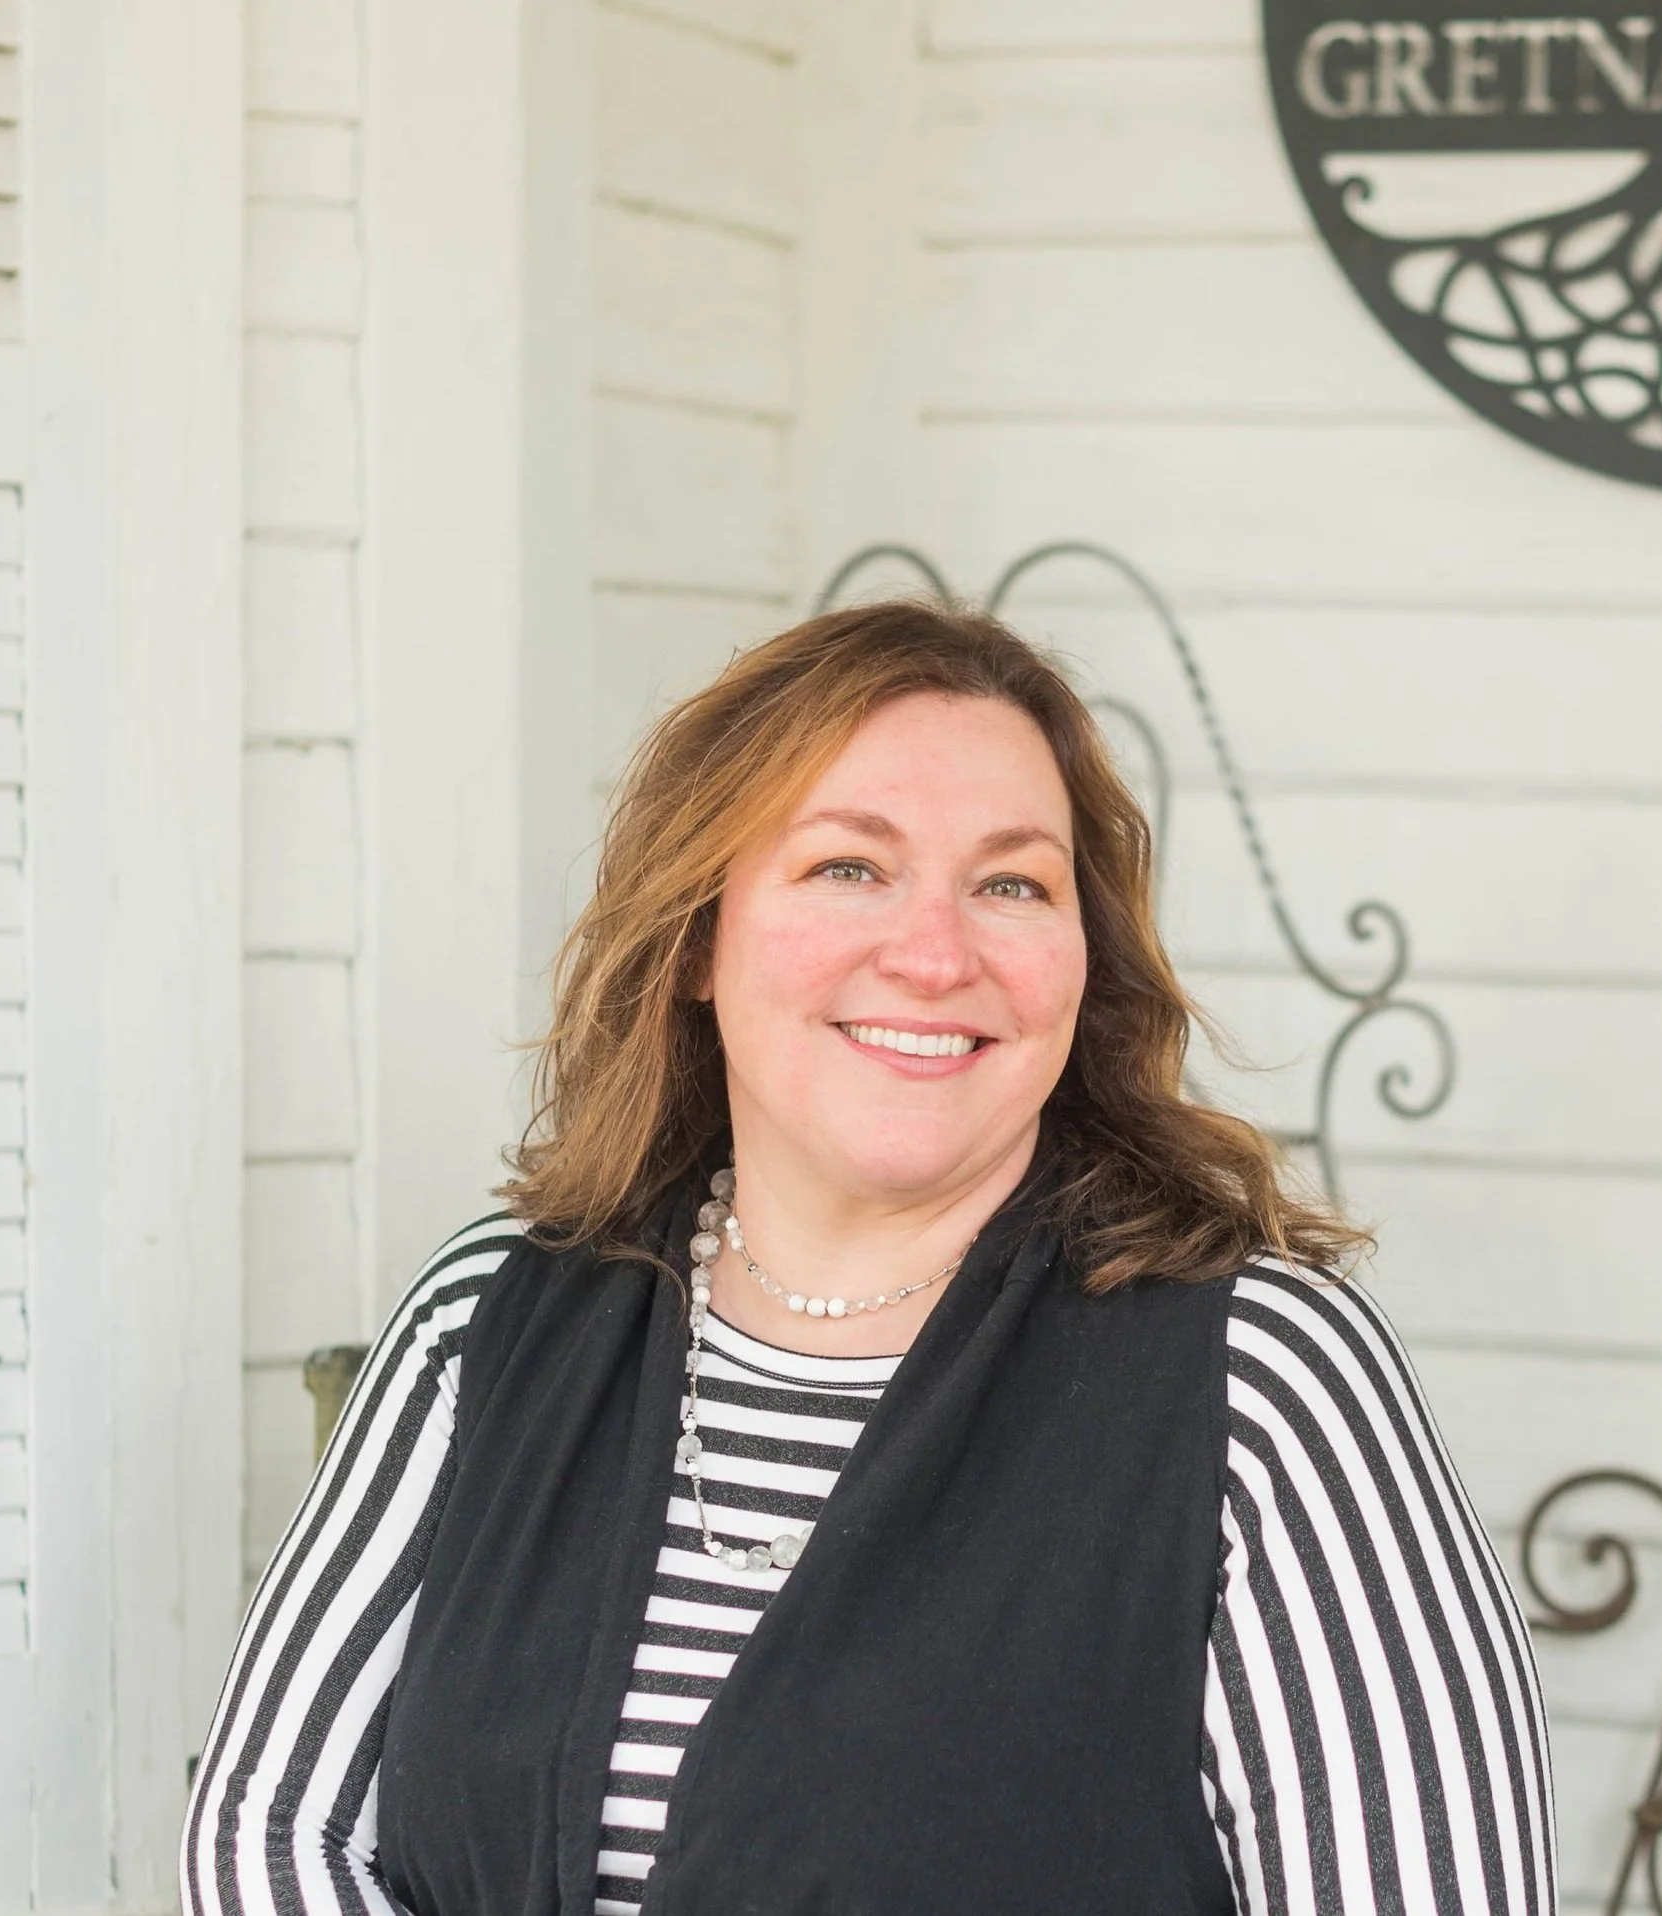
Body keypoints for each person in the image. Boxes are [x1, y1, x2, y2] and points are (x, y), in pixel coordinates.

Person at [180, 602, 1555, 1916]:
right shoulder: (487, 1318)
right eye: (851, 866)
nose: (934, 952)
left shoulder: (1257, 1380)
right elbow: (271, 1826)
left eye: (1012, 884)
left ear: (1084, 963)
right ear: (698, 937)